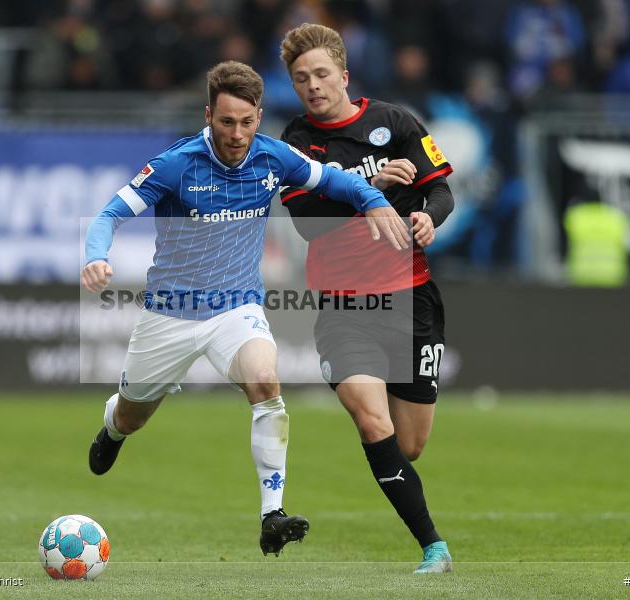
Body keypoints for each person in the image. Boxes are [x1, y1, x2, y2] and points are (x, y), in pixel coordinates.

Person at [81, 60, 410, 557]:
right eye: (226, 122)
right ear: (208, 114)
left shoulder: (274, 157)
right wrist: (95, 257)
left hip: (237, 307)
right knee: (132, 416)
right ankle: (112, 428)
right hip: (170, 313)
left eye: (247, 121)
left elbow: (335, 182)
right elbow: (110, 212)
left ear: (259, 115)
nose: (237, 134)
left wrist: (374, 201)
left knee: (265, 382)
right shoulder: (177, 163)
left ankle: (271, 515)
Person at [277, 24, 455, 573]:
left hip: (412, 299)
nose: (312, 86)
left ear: (344, 76)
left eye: (322, 74)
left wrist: (428, 216)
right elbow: (308, 223)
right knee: (369, 419)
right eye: (301, 78)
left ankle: (426, 534)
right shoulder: (296, 142)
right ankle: (434, 547)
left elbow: (441, 189)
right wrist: (372, 184)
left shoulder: (395, 122)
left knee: (411, 443)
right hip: (344, 307)